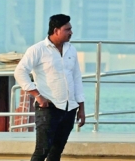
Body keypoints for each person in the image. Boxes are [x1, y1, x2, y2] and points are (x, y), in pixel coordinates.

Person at [14, 14, 85, 161]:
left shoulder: (71, 50)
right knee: (42, 151)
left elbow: (77, 79)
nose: (71, 32)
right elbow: (20, 72)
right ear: (56, 30)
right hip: (48, 108)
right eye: (67, 29)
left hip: (69, 109)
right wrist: (38, 95)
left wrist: (81, 108)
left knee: (56, 152)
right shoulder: (37, 49)